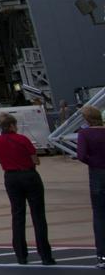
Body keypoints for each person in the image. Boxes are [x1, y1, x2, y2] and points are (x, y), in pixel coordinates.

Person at [0, 112, 55, 266]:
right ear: (13, 125)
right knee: (38, 215)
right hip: (29, 175)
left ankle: (21, 255)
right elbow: (35, 159)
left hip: (11, 177)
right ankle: (45, 255)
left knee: (18, 214)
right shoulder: (22, 139)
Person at [76, 105, 105, 269]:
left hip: (97, 174)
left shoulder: (84, 133)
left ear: (87, 119)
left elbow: (81, 155)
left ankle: (102, 255)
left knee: (100, 215)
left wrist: (93, 162)